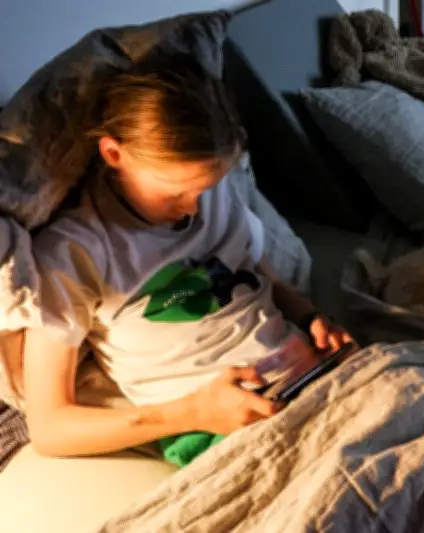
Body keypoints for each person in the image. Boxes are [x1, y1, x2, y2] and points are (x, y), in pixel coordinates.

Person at [22, 58, 355, 461]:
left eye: (206, 188)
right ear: (113, 153)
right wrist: (194, 412)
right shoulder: (75, 253)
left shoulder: (216, 189)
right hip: (221, 429)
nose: (195, 209)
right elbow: (49, 429)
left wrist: (311, 317)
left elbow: (258, 277)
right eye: (175, 193)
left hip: (315, 375)